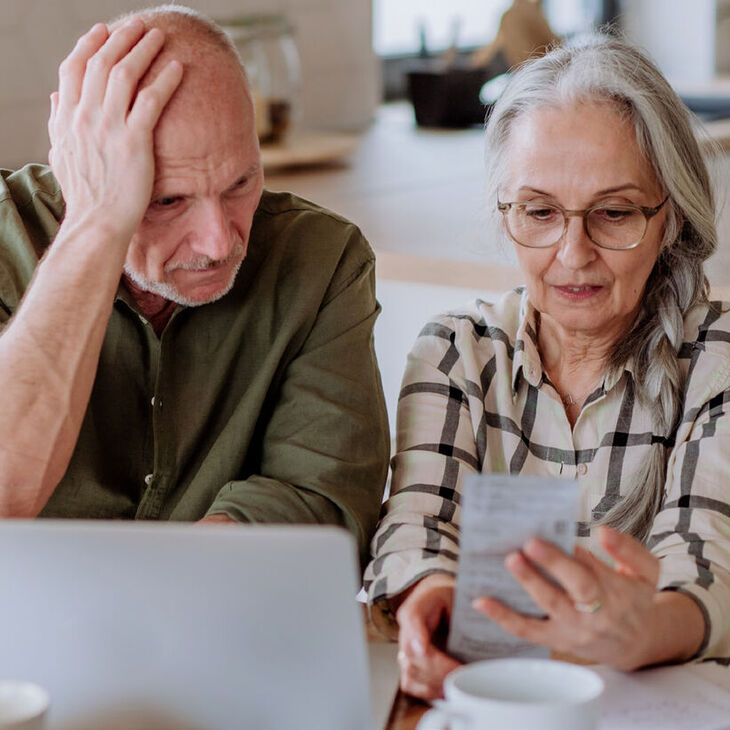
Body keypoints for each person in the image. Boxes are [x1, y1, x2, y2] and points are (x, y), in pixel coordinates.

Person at [365, 34, 730, 698]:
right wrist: (430, 598)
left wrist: (641, 628)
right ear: (506, 214)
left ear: (670, 218)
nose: (572, 254)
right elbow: (418, 523)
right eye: (539, 212)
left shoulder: (717, 360)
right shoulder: (457, 352)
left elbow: (707, 561)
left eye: (614, 213)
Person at [0, 5, 389, 565]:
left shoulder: (322, 261)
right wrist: (95, 226)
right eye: (166, 200)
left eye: (240, 182)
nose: (217, 242)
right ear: (79, 170)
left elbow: (323, 508)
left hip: (222, 629)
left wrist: (146, 589)